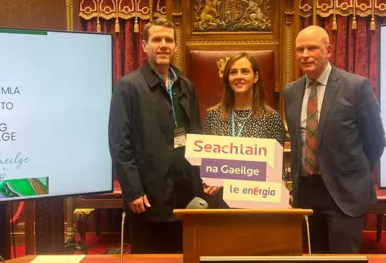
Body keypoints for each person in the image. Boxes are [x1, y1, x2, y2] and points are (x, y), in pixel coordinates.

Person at [108, 18, 214, 254]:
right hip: (148, 197)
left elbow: (197, 135)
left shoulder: (185, 86)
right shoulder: (128, 86)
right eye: (157, 39)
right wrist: (133, 190)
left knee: (186, 255)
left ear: (175, 46)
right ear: (144, 46)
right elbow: (119, 144)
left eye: (169, 40)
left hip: (186, 194)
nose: (163, 45)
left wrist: (203, 178)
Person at [283, 25, 386, 254]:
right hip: (307, 194)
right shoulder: (290, 92)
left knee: (344, 259)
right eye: (300, 49)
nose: (305, 55)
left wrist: (353, 172)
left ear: (328, 50)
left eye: (312, 48)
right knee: (314, 257)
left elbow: (376, 139)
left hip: (345, 193)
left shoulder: (356, 87)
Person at [203, 52, 288, 206]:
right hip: (220, 202)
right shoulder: (214, 116)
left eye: (245, 71)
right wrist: (207, 181)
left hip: (257, 203)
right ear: (227, 79)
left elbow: (277, 167)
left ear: (255, 77)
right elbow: (206, 163)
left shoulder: (271, 119)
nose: (239, 76)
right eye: (233, 72)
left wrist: (281, 196)